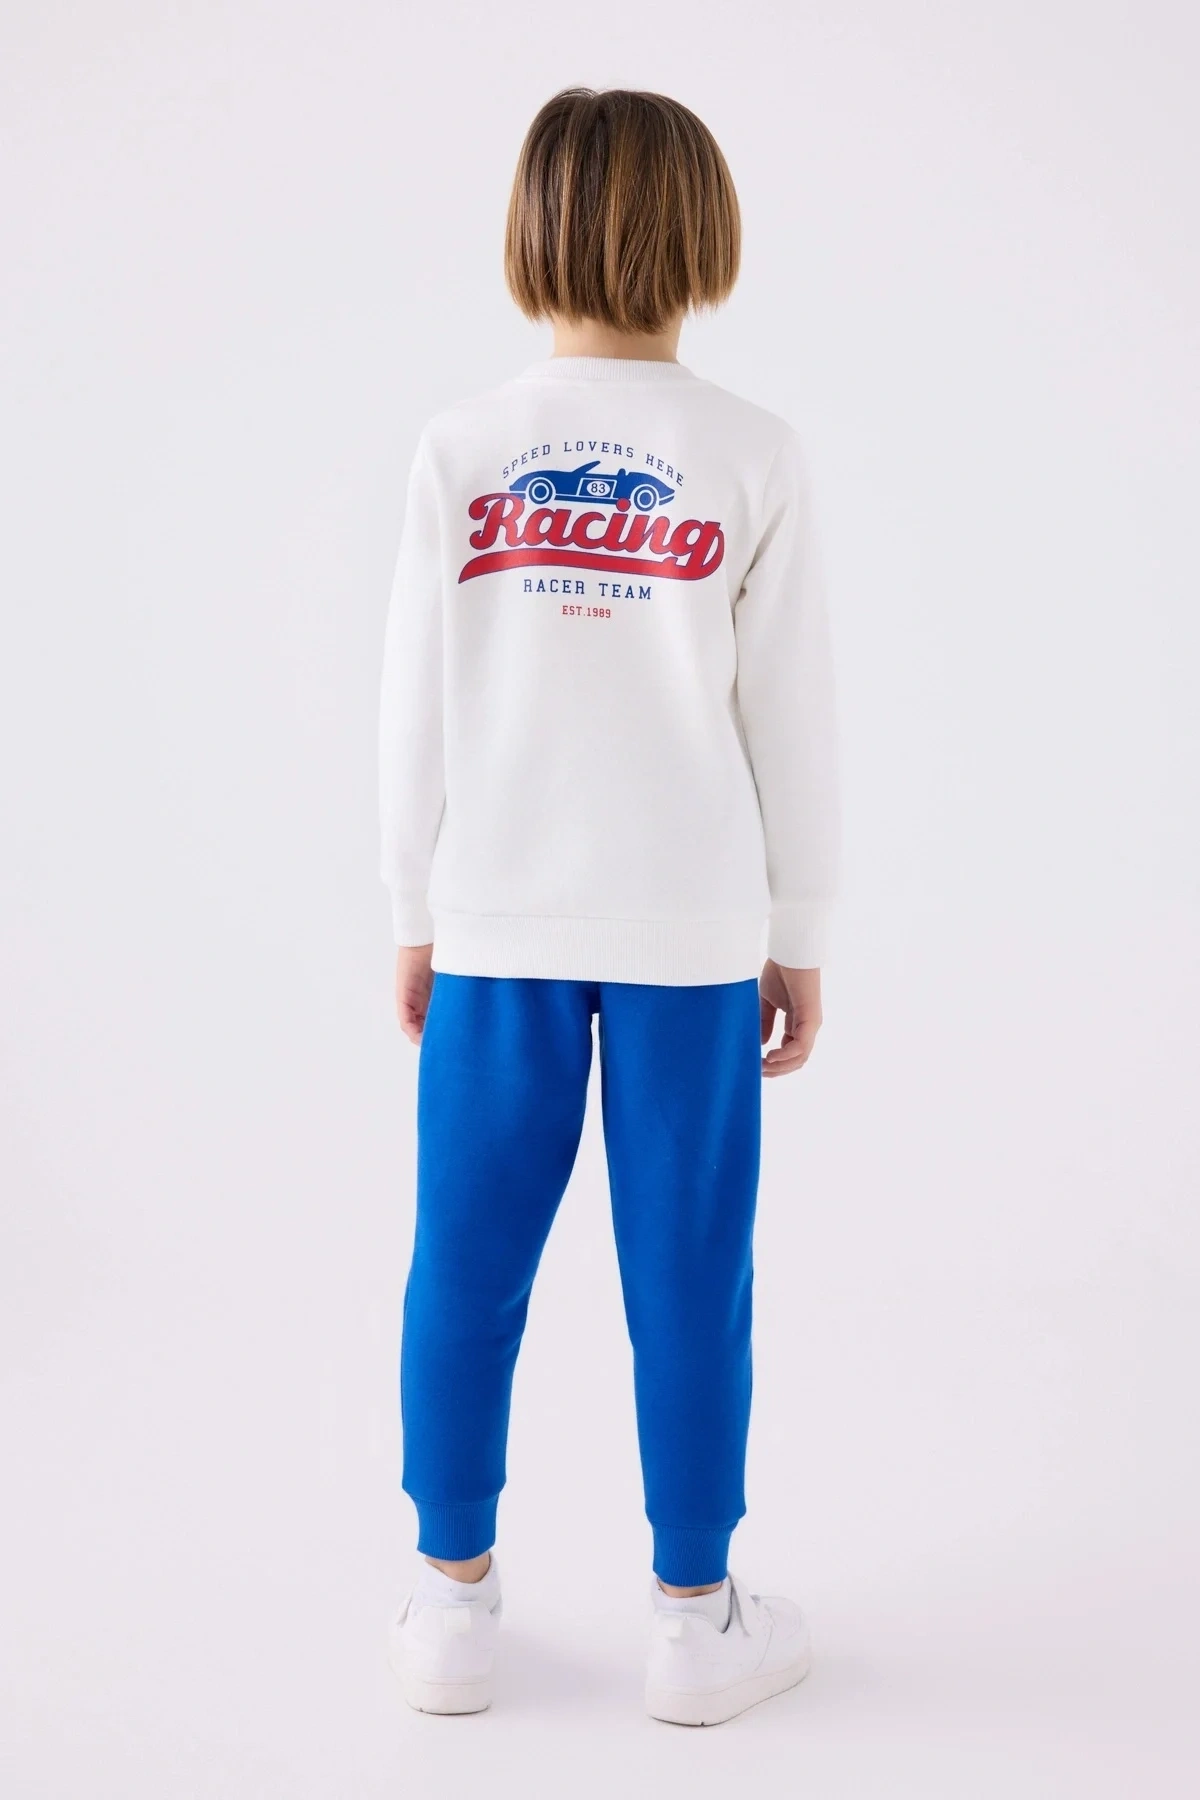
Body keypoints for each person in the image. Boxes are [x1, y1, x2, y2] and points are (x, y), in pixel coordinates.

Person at [379, 86, 839, 1726]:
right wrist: (799, 929)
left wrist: (414, 903)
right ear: (705, 234)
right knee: (691, 1269)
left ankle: (450, 1605)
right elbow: (791, 715)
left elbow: (413, 705)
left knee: (465, 1261)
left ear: (531, 232)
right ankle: (694, 1620)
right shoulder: (751, 451)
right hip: (689, 936)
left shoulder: (461, 447)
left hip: (498, 921)